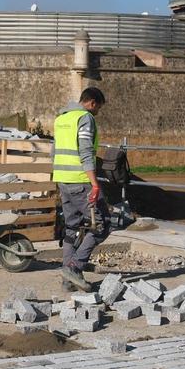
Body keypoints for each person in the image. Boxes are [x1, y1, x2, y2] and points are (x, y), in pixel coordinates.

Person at [52, 87, 111, 292]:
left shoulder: (61, 118)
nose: (97, 113)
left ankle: (68, 281)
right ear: (92, 103)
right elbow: (85, 151)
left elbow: (55, 151)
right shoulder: (85, 118)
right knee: (103, 224)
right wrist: (94, 184)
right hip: (80, 180)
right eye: (98, 108)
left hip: (62, 180)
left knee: (71, 228)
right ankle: (74, 267)